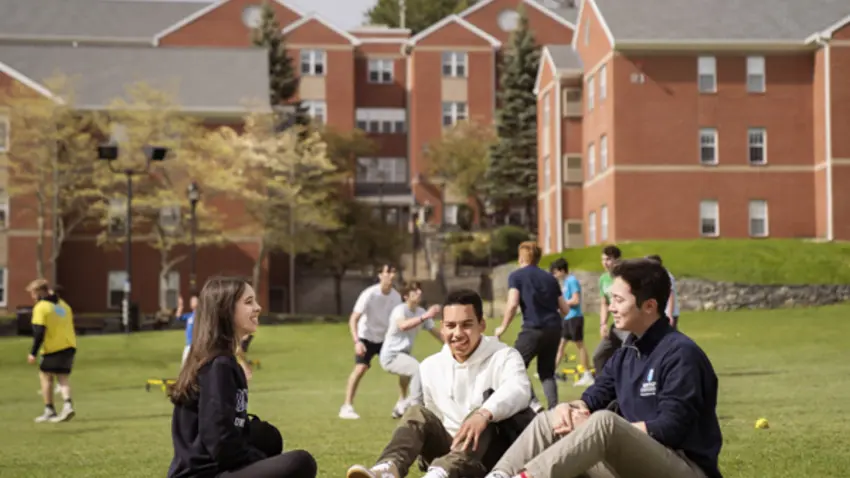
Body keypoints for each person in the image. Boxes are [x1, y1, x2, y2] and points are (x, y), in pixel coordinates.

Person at [484, 259, 723, 478]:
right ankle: (499, 475)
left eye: (619, 300)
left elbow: (671, 427)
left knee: (604, 424)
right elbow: (595, 396)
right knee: (551, 419)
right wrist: (570, 408)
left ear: (649, 306)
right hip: (635, 465)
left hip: (685, 468)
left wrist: (594, 426)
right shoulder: (629, 350)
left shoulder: (680, 353)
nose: (610, 308)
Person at [346, 289, 533, 478]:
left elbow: (519, 389)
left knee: (483, 417)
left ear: (481, 325)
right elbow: (433, 421)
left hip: (489, 462)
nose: (457, 333)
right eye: (451, 326)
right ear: (442, 328)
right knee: (416, 412)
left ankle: (441, 473)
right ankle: (388, 469)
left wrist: (484, 414)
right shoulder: (430, 366)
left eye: (466, 325)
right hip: (448, 455)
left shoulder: (504, 356)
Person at [167, 276, 318, 478]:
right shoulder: (218, 365)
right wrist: (259, 460)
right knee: (300, 462)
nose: (258, 308)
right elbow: (219, 439)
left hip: (216, 464)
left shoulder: (221, 360)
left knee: (268, 436)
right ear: (226, 310)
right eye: (248, 302)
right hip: (202, 474)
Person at [494, 242, 572, 411]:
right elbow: (565, 309)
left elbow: (513, 304)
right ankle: (553, 409)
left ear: (521, 257)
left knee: (514, 365)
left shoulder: (516, 276)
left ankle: (535, 405)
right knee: (547, 372)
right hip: (554, 329)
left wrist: (502, 327)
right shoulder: (550, 278)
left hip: (533, 328)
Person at [340, 264, 403, 420]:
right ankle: (347, 406)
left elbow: (397, 321)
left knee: (404, 367)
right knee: (360, 368)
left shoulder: (396, 297)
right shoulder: (369, 294)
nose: (390, 275)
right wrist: (357, 342)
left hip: (386, 339)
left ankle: (402, 403)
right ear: (380, 275)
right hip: (366, 337)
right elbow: (354, 319)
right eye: (387, 271)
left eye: (393, 271)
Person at [379, 281, 443, 418]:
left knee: (408, 372)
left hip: (403, 354)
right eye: (415, 291)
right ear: (406, 296)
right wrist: (425, 316)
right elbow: (403, 325)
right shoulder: (400, 310)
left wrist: (452, 344)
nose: (419, 293)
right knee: (417, 369)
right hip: (390, 356)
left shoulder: (421, 312)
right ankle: (415, 406)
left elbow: (436, 333)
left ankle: (401, 404)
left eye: (420, 290)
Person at [26, 279, 77, 423]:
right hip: (69, 345)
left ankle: (49, 410)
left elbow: (39, 332)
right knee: (63, 377)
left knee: (45, 376)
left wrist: (33, 353)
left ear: (39, 292)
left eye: (32, 293)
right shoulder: (63, 305)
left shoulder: (41, 307)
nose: (32, 296)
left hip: (53, 347)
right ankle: (67, 405)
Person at [549, 259, 593, 387]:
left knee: (580, 345)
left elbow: (576, 300)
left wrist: (561, 304)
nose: (554, 275)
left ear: (562, 270)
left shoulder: (572, 281)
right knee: (561, 346)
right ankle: (551, 372)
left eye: (555, 272)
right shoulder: (566, 283)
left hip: (575, 318)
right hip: (567, 319)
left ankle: (587, 375)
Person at [592, 245, 628, 373]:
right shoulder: (603, 279)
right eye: (603, 259)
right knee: (598, 356)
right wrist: (603, 324)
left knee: (628, 357)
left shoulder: (625, 276)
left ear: (617, 260)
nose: (605, 263)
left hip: (629, 325)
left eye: (608, 259)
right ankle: (604, 389)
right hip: (616, 326)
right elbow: (604, 303)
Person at [647, 254, 680, 329]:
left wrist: (669, 314)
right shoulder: (657, 276)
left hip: (668, 313)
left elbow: (670, 294)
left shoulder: (665, 276)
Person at [176, 295, 198, 367]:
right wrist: (180, 306)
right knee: (185, 364)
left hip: (197, 345)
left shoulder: (201, 316)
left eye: (194, 300)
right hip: (189, 344)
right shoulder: (189, 316)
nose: (192, 302)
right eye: (191, 301)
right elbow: (178, 317)